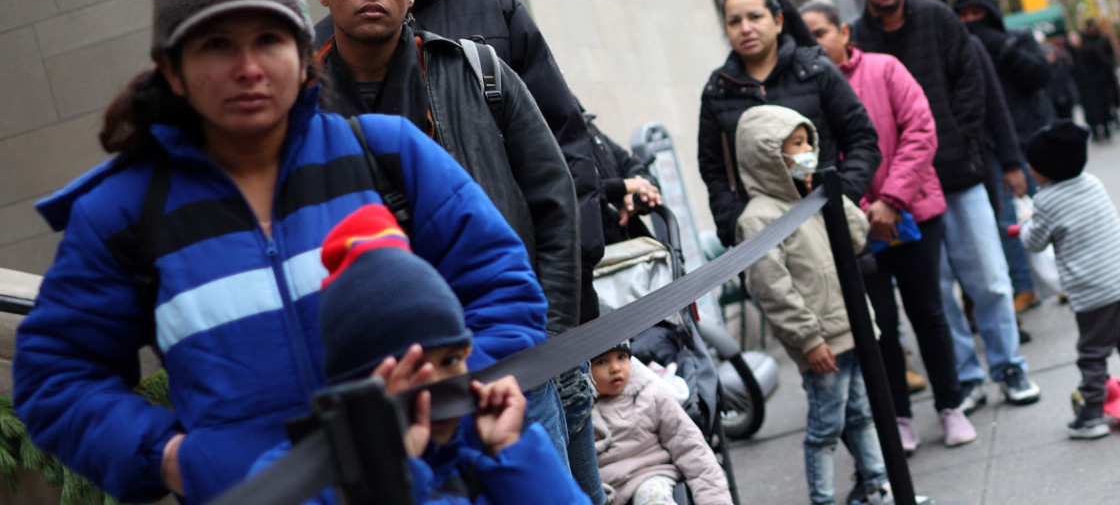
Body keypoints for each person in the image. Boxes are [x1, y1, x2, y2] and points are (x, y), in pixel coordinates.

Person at [12, 0, 547, 504]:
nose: (248, 68)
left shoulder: (388, 154)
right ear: (173, 69)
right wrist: (171, 458)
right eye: (216, 45)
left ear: (300, 51)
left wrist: (443, 398)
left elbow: (504, 291)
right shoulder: (120, 212)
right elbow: (57, 377)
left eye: (268, 40)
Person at [314, 0, 578, 465]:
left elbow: (553, 201)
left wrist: (542, 336)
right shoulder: (298, 113)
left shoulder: (479, 72)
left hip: (509, 366)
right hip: (379, 394)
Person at [254, 204, 591, 504]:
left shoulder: (472, 464)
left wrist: (514, 453)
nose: (443, 384)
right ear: (362, 383)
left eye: (451, 360)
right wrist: (392, 475)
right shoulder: (300, 481)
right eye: (415, 371)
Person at [851, 0, 1040, 414]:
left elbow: (973, 81)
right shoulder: (859, 38)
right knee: (936, 296)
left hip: (958, 175)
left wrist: (962, 138)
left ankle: (1009, 366)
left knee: (990, 278)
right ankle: (967, 377)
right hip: (902, 191)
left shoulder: (937, 18)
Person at [801, 2, 975, 451]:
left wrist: (890, 201)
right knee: (879, 326)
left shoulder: (886, 69)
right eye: (806, 36)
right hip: (854, 225)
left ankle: (951, 406)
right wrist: (861, 210)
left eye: (820, 32)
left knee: (929, 313)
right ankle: (899, 418)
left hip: (913, 211)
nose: (813, 43)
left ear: (844, 31)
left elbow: (920, 130)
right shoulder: (808, 91)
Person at [733, 104, 892, 505]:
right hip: (822, 342)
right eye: (797, 144)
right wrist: (807, 339)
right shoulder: (758, 218)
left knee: (862, 414)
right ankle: (823, 499)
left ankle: (878, 485)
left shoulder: (814, 196)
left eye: (808, 142)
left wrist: (830, 195)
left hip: (852, 326)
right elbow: (772, 287)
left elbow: (857, 238)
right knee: (825, 427)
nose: (808, 151)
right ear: (768, 154)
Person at [1017, 121, 1120, 438]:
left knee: (1093, 354)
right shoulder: (1092, 183)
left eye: (1032, 165)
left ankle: (1091, 416)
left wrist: (1024, 223)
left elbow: (1033, 242)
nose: (1029, 169)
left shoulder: (1046, 202)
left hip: (1093, 294)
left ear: (1047, 169)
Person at [698, 0, 880, 248]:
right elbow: (713, 168)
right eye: (734, 21)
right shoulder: (718, 90)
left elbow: (862, 139)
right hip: (764, 239)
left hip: (830, 225)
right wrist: (736, 222)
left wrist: (839, 196)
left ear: (778, 21)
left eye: (755, 17)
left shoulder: (816, 70)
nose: (745, 28)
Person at [953, 0, 1055, 315]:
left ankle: (1067, 278)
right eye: (963, 14)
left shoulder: (1016, 39)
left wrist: (1003, 48)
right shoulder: (961, 49)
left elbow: (1040, 76)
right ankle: (1024, 287)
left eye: (977, 12)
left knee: (1048, 210)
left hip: (1028, 139)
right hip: (990, 145)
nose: (971, 20)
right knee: (1005, 221)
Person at [590, 341, 733, 505]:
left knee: (652, 497)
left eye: (621, 357)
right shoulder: (579, 414)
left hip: (651, 476)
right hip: (605, 490)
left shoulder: (651, 396)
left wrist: (714, 501)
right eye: (602, 362)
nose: (615, 368)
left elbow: (690, 448)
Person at [584, 109, 662, 245]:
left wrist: (639, 193)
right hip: (597, 256)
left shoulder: (585, 124)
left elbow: (628, 163)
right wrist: (624, 188)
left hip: (634, 243)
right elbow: (577, 189)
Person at [1067, 25, 1117, 142]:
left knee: (1102, 108)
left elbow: (1102, 64)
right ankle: (1095, 131)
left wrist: (1100, 80)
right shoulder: (1071, 56)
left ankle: (1105, 129)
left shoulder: (1089, 49)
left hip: (1097, 85)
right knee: (1090, 111)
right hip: (1084, 88)